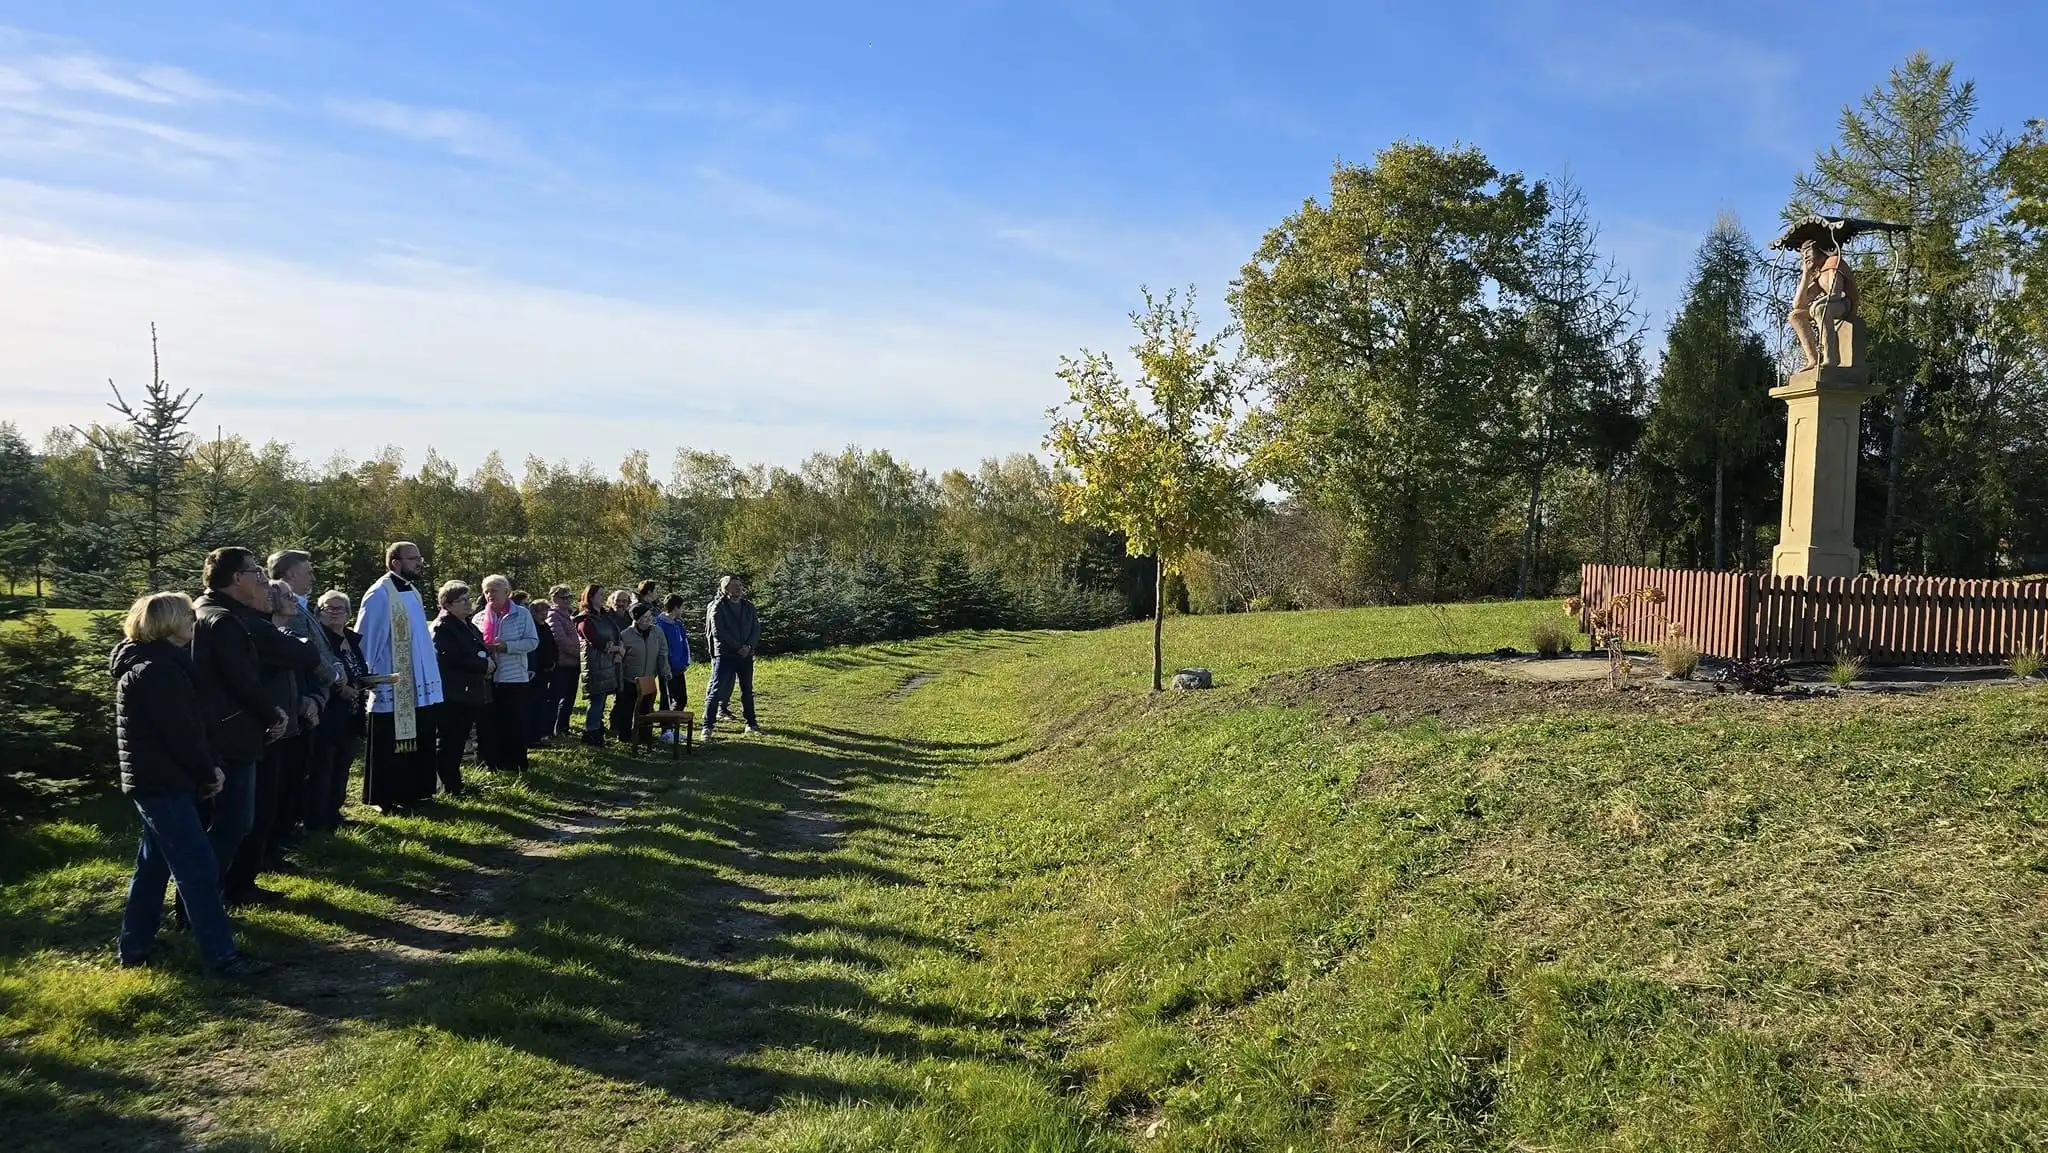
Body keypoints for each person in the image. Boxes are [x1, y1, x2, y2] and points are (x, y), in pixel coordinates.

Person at [113, 591, 268, 978]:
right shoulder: (156, 671)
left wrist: (206, 767)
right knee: (198, 868)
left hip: (160, 781)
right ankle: (221, 956)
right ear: (168, 624)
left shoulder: (164, 665)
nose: (194, 622)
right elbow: (181, 735)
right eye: (187, 616)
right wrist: (207, 771)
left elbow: (189, 729)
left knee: (152, 866)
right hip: (161, 782)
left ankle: (134, 946)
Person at [191, 548, 287, 886]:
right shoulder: (224, 620)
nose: (260, 578)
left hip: (216, 731)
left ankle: (212, 899)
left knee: (222, 824)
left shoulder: (202, 610)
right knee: (231, 824)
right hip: (231, 733)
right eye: (254, 572)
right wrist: (272, 714)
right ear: (236, 578)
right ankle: (202, 906)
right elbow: (242, 680)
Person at [356, 542, 444, 812]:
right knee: (390, 743)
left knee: (419, 736)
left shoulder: (412, 590)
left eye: (419, 557)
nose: (419, 563)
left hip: (418, 682)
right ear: (395, 562)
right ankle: (384, 796)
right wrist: (364, 676)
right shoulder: (380, 594)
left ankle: (415, 790)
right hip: (393, 683)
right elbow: (367, 638)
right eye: (413, 558)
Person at [265, 551, 337, 853]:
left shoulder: (299, 606)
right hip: (298, 702)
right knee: (287, 775)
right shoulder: (284, 608)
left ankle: (287, 828)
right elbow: (303, 659)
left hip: (312, 699)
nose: (312, 576)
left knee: (301, 770)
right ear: (290, 574)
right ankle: (278, 834)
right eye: (307, 570)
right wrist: (332, 678)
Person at [307, 590, 368, 831]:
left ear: (348, 614)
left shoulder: (352, 640)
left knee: (343, 764)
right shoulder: (320, 642)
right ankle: (318, 819)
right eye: (326, 608)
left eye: (338, 608)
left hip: (352, 712)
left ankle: (335, 812)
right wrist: (338, 688)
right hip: (329, 712)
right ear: (317, 613)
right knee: (323, 767)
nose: (333, 613)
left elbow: (357, 670)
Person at [431, 581, 492, 797]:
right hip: (453, 692)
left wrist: (486, 661)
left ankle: (454, 784)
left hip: (470, 690)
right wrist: (483, 664)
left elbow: (480, 649)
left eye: (468, 598)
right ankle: (448, 786)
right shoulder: (443, 627)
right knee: (450, 741)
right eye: (462, 600)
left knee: (458, 740)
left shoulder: (467, 624)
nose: (468, 604)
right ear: (447, 604)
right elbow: (449, 657)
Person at [473, 575, 537, 772]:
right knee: (489, 723)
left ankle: (514, 764)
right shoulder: (479, 617)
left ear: (506, 592)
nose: (490, 595)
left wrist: (506, 647)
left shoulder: (521, 614)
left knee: (514, 723)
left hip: (514, 676)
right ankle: (491, 764)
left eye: (494, 590)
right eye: (486, 591)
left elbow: (532, 642)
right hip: (488, 678)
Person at [704, 574, 762, 737]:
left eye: (739, 585)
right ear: (725, 588)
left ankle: (751, 724)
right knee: (716, 690)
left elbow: (756, 628)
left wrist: (749, 646)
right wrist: (738, 647)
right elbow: (718, 632)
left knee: (747, 690)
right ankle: (707, 726)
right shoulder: (718, 607)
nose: (738, 588)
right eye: (733, 585)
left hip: (745, 655)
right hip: (725, 654)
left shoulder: (748, 606)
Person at [574, 584, 622, 747]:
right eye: (600, 594)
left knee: (601, 700)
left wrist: (618, 649)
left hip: (608, 663)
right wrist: (615, 648)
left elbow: (615, 634)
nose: (603, 597)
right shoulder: (585, 619)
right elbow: (595, 641)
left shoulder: (605, 617)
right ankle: (590, 731)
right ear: (591, 597)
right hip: (594, 664)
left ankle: (596, 728)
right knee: (596, 700)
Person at [512, 591, 557, 747]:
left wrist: (553, 661)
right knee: (532, 705)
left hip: (546, 671)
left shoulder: (545, 627)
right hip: (533, 672)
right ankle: (530, 737)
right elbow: (533, 650)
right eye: (540, 611)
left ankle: (538, 735)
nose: (543, 614)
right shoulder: (531, 628)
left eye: (546, 611)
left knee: (541, 704)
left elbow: (552, 645)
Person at [619, 602, 670, 738]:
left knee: (646, 708)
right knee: (627, 708)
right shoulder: (625, 635)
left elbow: (663, 652)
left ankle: (644, 735)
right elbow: (621, 657)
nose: (649, 619)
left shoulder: (657, 632)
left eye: (650, 616)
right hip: (630, 679)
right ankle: (624, 735)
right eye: (645, 617)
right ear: (637, 619)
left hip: (648, 678)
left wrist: (665, 670)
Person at [541, 585, 582, 739]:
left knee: (569, 698)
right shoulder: (553, 615)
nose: (567, 600)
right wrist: (580, 654)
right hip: (561, 664)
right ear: (554, 599)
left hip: (573, 664)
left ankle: (562, 727)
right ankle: (548, 729)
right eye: (563, 598)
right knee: (555, 698)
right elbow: (560, 640)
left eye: (569, 597)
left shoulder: (568, 615)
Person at [605, 589, 638, 738]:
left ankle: (619, 725)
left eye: (625, 601)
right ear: (611, 601)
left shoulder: (629, 618)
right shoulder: (606, 617)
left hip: (627, 659)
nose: (621, 604)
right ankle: (610, 724)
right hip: (609, 659)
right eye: (618, 600)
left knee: (623, 693)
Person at [655, 593, 692, 715]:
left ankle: (673, 726)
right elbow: (661, 648)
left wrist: (686, 661)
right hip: (668, 668)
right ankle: (667, 728)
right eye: (682, 607)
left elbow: (684, 643)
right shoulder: (659, 625)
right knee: (668, 698)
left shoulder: (678, 623)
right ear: (676, 607)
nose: (683, 610)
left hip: (679, 667)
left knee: (681, 699)